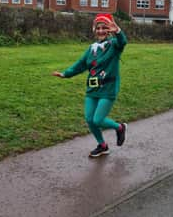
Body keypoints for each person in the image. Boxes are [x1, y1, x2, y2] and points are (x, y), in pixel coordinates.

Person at [52, 13, 128, 157]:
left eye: (104, 28)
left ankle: (119, 127)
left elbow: (122, 42)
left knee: (98, 119)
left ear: (109, 30)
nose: (101, 31)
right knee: (89, 119)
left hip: (108, 89)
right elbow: (80, 65)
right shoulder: (91, 49)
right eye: (98, 28)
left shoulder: (113, 45)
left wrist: (118, 32)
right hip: (92, 89)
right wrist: (65, 74)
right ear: (94, 30)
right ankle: (102, 145)